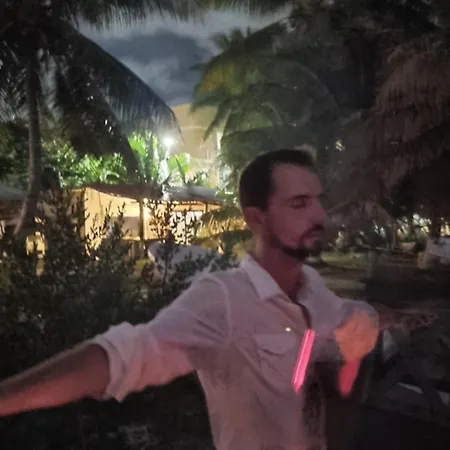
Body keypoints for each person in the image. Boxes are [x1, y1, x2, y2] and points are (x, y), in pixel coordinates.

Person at [0, 149, 379, 450]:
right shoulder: (223, 299)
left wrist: (365, 320)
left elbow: (350, 317)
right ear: (256, 219)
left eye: (318, 201)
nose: (319, 214)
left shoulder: (313, 288)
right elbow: (128, 355)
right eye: (299, 204)